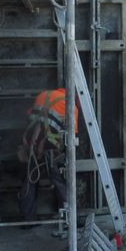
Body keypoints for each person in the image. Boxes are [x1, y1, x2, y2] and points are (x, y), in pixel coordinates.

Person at [18, 88, 78, 223]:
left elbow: (30, 115)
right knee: (60, 181)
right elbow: (72, 136)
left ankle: (28, 219)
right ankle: (70, 219)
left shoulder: (43, 95)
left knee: (29, 181)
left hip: (29, 142)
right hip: (51, 147)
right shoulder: (71, 106)